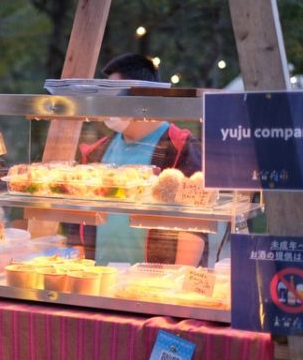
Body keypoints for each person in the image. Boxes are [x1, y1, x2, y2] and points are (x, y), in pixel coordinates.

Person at [65, 53, 206, 266]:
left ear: (142, 98)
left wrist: (176, 282)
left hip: (154, 282)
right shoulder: (97, 151)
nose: (107, 105)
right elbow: (79, 220)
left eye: (114, 97)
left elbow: (194, 224)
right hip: (99, 279)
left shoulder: (180, 147)